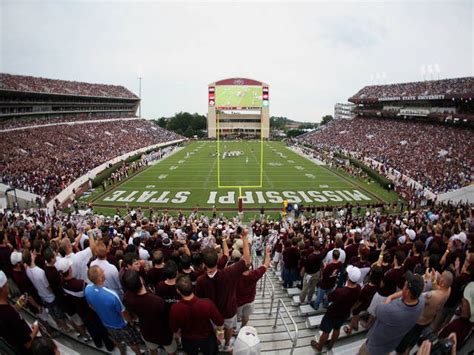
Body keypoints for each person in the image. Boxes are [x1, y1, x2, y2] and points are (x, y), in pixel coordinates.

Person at [195, 229, 251, 350]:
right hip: (229, 310)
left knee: (216, 330)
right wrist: (245, 237)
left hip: (212, 314)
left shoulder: (200, 280)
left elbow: (199, 300)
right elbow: (247, 260)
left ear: (204, 264)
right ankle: (226, 345)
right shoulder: (229, 273)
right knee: (229, 328)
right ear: (217, 260)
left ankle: (218, 344)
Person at [359, 271, 425, 355]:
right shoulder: (421, 301)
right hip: (390, 344)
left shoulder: (390, 310)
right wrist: (391, 296)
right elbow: (409, 293)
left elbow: (378, 309)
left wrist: (388, 300)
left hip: (374, 347)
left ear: (408, 292)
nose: (402, 288)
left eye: (404, 285)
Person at [84, 265, 142, 355]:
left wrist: (103, 312)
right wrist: (130, 322)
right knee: (132, 343)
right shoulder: (112, 295)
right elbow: (123, 313)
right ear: (100, 279)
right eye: (101, 271)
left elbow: (90, 306)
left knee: (116, 340)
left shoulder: (87, 289)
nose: (103, 271)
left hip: (106, 323)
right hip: (122, 325)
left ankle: (122, 352)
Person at [395, 270, 453, 355]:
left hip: (418, 320)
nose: (439, 275)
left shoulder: (432, 296)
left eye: (441, 276)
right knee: (413, 339)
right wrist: (433, 280)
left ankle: (400, 352)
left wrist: (425, 280)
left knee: (405, 339)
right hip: (428, 320)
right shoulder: (448, 290)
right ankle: (407, 350)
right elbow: (439, 289)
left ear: (443, 282)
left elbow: (416, 296)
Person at [122, 269, 177, 355]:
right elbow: (168, 318)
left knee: (152, 349)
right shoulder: (158, 301)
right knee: (171, 350)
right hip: (163, 332)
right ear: (140, 280)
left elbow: (133, 315)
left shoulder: (127, 298)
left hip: (146, 330)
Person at [311, 265, 362, 351]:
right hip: (344, 313)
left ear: (348, 277)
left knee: (326, 331)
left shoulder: (340, 291)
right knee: (337, 328)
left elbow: (328, 298)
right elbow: (357, 302)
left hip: (332, 313)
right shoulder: (358, 289)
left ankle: (319, 347)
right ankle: (331, 344)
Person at [170, 275, 224, 355]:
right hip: (207, 339)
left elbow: (174, 329)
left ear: (178, 291)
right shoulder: (207, 303)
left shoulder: (175, 308)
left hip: (188, 339)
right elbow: (220, 322)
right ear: (192, 287)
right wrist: (219, 333)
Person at [0, 270, 39, 353]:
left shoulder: (5, 307)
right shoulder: (9, 314)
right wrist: (36, 329)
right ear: (2, 288)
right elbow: (27, 343)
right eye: (6, 284)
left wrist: (17, 306)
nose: (8, 286)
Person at [236, 245, 270, 327]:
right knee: (246, 316)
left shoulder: (235, 275)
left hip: (237, 302)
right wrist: (267, 254)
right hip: (250, 300)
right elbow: (266, 265)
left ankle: (234, 329)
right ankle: (243, 327)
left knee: (235, 317)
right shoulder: (254, 274)